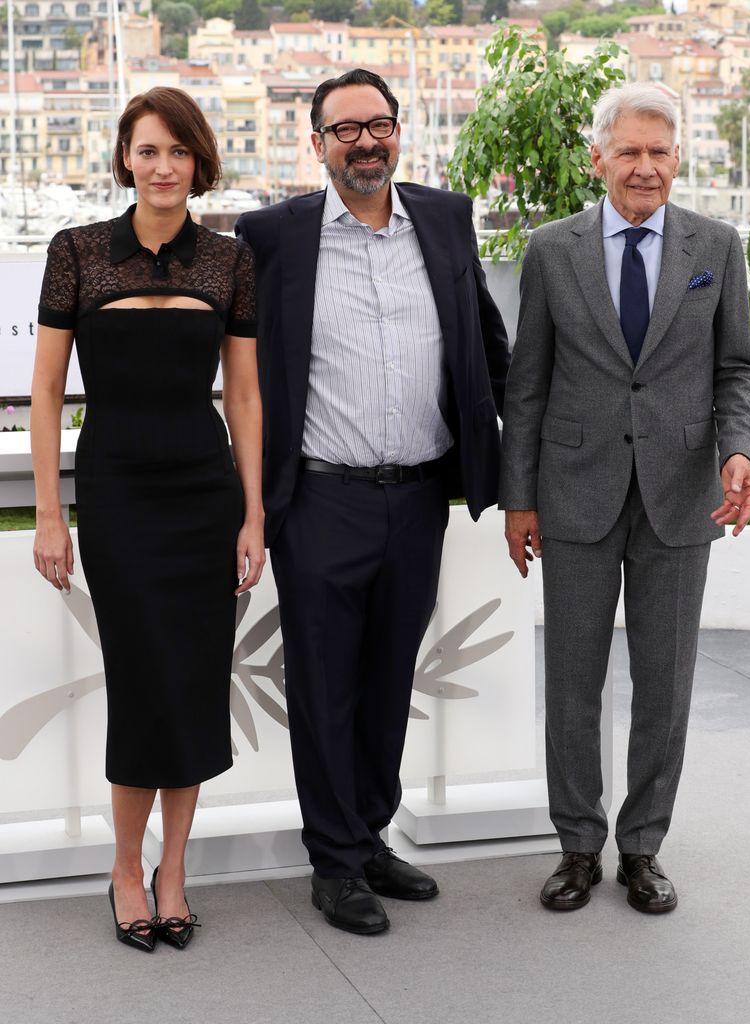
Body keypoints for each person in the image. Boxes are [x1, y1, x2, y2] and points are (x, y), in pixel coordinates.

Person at [236, 68, 510, 935]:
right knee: (324, 687)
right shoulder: (270, 236)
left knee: (391, 678)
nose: (365, 142)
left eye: (378, 125)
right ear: (317, 143)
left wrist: (523, 461)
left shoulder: (445, 218)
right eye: (345, 129)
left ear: (399, 131)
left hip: (420, 496)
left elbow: (488, 345)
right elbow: (237, 366)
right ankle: (335, 862)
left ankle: (370, 835)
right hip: (320, 499)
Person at [500, 82, 750, 914]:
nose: (644, 167)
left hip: (682, 496)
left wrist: (740, 452)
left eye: (658, 152)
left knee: (665, 686)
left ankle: (643, 847)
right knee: (572, 684)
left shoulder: (717, 245)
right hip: (573, 493)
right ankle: (578, 846)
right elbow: (527, 384)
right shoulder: (552, 250)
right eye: (629, 152)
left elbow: (737, 371)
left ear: (677, 158)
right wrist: (518, 500)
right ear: (598, 158)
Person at [31, 87, 264, 951]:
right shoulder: (78, 252)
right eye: (147, 150)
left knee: (195, 683)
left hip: (206, 498)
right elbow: (47, 393)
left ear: (199, 162)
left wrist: (254, 515)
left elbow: (244, 397)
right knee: (141, 685)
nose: (163, 167)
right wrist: (50, 514)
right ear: (125, 160)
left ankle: (174, 873)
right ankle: (126, 869)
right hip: (118, 498)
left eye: (178, 151)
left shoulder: (229, 259)